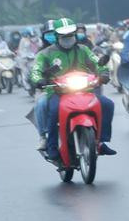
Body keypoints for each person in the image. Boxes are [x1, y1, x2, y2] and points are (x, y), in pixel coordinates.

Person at [29, 18, 116, 158]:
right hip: (58, 92)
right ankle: (51, 146)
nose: (68, 38)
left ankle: (101, 141)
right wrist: (39, 80)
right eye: (64, 36)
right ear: (57, 36)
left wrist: (103, 73)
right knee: (53, 110)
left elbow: (97, 62)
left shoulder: (84, 50)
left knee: (107, 104)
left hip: (84, 90)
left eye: (70, 35)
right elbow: (36, 70)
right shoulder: (45, 53)